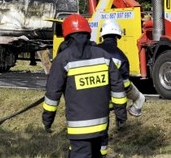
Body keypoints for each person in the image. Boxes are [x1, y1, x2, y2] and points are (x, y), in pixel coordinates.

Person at [42, 14, 127, 157]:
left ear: (66, 34)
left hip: (79, 129)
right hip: (101, 125)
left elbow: (52, 94)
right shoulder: (104, 56)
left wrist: (47, 120)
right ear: (88, 32)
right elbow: (118, 88)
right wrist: (121, 116)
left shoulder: (63, 59)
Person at [98, 19, 146, 157]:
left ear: (103, 34)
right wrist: (136, 98)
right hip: (107, 101)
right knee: (102, 131)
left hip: (87, 98)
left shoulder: (93, 50)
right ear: (118, 36)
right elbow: (124, 86)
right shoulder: (121, 57)